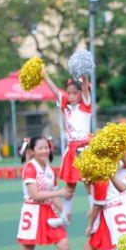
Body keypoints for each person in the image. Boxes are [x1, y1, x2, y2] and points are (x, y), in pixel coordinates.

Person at [2, 136, 82, 250]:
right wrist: (60, 192)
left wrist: (65, 211)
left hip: (49, 212)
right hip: (32, 212)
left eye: (46, 147)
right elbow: (36, 195)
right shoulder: (29, 168)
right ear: (32, 151)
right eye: (40, 148)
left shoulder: (50, 169)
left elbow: (53, 196)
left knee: (64, 244)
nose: (44, 151)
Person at [43, 70, 92, 225]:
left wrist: (84, 74)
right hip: (71, 149)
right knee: (69, 185)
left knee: (88, 183)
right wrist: (45, 75)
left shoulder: (85, 106)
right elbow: (55, 91)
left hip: (85, 148)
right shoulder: (66, 107)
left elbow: (85, 88)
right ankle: (65, 216)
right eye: (69, 93)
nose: (71, 96)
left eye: (74, 93)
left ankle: (95, 218)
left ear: (81, 94)